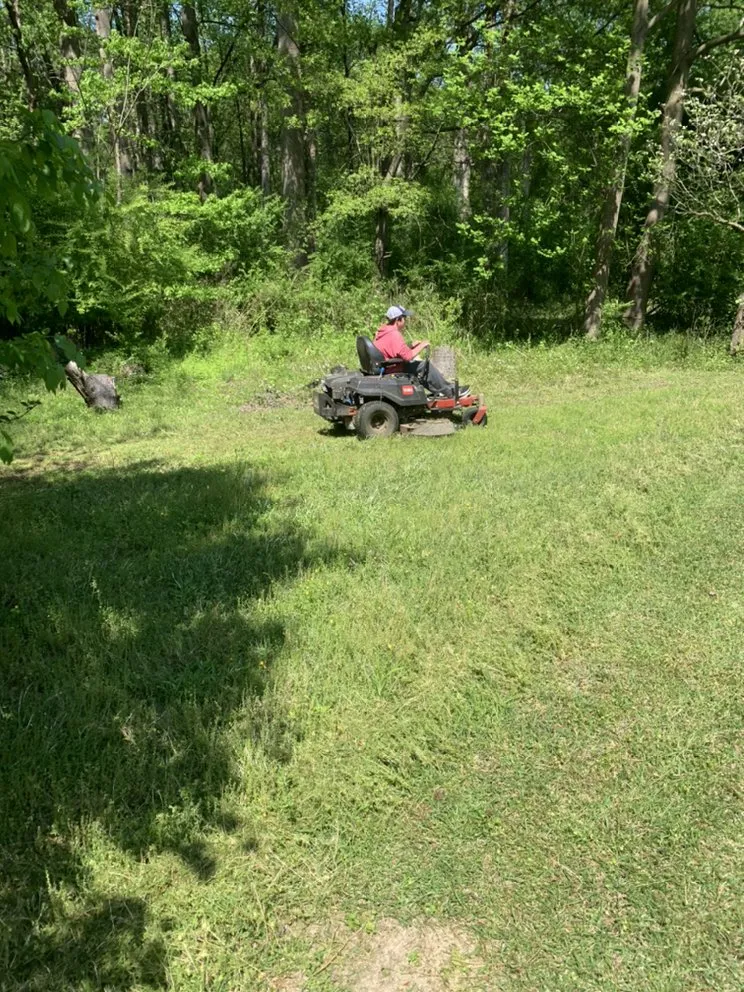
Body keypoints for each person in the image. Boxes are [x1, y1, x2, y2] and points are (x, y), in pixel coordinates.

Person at [373, 306, 470, 398]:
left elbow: (395, 350)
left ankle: (441, 391)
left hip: (389, 365)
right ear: (398, 320)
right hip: (393, 368)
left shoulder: (384, 331)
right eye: (404, 318)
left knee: (420, 370)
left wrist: (411, 346)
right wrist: (422, 345)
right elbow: (407, 356)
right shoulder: (394, 334)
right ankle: (451, 392)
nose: (405, 321)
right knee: (424, 366)